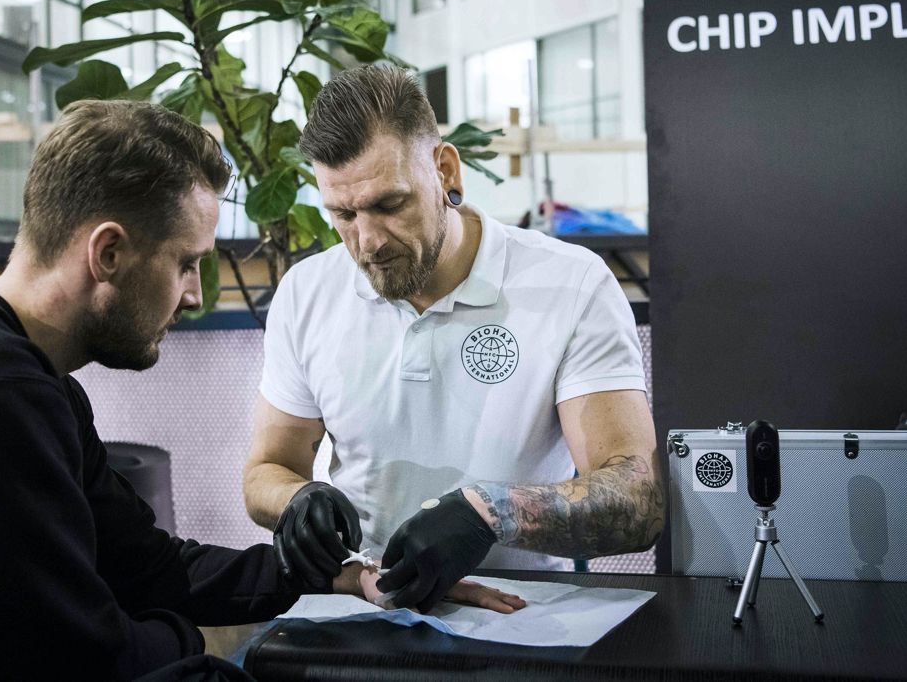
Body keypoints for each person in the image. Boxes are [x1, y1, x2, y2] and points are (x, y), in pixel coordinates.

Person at [0, 100, 518, 682]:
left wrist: (338, 575)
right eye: (185, 262)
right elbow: (86, 660)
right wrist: (212, 644)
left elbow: (145, 565)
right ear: (107, 252)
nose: (192, 294)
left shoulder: (5, 364)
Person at [243, 66, 664, 613]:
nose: (367, 241)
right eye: (343, 214)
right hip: (367, 607)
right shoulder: (308, 291)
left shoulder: (572, 284)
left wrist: (491, 512)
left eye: (389, 205)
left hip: (524, 614)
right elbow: (266, 470)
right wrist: (297, 499)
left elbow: (637, 497)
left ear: (444, 170)